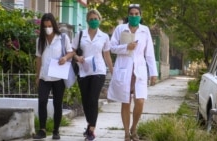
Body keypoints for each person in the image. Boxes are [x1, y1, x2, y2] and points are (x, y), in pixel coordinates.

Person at [107, 4, 158, 141]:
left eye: (137, 14)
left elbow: (150, 54)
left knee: (140, 101)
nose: (134, 16)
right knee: (126, 101)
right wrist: (126, 47)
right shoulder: (120, 29)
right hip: (124, 68)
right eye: (132, 14)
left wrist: (154, 73)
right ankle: (126, 133)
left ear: (140, 16)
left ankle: (134, 128)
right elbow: (112, 48)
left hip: (139, 70)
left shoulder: (145, 30)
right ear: (128, 15)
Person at [72, 9, 113, 141]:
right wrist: (77, 58)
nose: (94, 21)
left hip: (98, 71)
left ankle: (91, 129)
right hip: (84, 70)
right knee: (85, 99)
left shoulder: (104, 36)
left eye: (96, 19)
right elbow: (71, 51)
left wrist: (112, 70)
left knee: (93, 98)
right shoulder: (80, 34)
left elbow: (107, 55)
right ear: (87, 20)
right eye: (91, 19)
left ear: (99, 20)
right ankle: (90, 123)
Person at [34, 13, 74, 140]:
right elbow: (38, 59)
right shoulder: (40, 40)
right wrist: (37, 76)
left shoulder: (63, 38)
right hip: (44, 76)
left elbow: (71, 52)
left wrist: (65, 58)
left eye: (50, 26)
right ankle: (42, 130)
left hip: (58, 76)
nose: (48, 28)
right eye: (45, 26)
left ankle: (56, 130)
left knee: (58, 103)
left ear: (54, 25)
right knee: (42, 101)